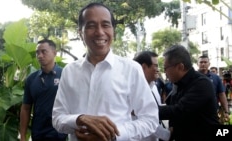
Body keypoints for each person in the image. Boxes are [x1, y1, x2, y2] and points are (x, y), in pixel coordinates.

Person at [52, 2, 159, 141]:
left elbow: (150, 119)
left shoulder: (131, 69)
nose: (99, 32)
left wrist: (112, 134)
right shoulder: (69, 71)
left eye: (105, 25)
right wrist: (79, 120)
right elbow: (57, 118)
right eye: (91, 26)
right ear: (80, 32)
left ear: (113, 30)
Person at [159, 45, 220, 141]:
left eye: (165, 68)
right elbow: (172, 107)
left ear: (180, 67)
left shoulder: (201, 83)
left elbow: (178, 110)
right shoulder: (177, 83)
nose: (165, 72)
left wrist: (144, 110)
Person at [20, 39, 67, 141]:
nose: (40, 55)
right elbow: (26, 108)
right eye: (37, 52)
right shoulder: (31, 79)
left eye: (43, 51)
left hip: (58, 133)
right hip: (38, 133)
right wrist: (23, 136)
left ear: (54, 53)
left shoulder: (65, 75)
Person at [133, 51, 170, 141]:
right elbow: (147, 120)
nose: (158, 69)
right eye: (156, 65)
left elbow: (155, 111)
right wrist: (168, 135)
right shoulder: (133, 91)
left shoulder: (154, 87)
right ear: (143, 67)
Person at [197, 55, 230, 123]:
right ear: (198, 64)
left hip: (212, 113)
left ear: (209, 64)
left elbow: (222, 94)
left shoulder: (216, 78)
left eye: (205, 62)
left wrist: (226, 111)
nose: (203, 64)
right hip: (196, 113)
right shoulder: (191, 77)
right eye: (201, 62)